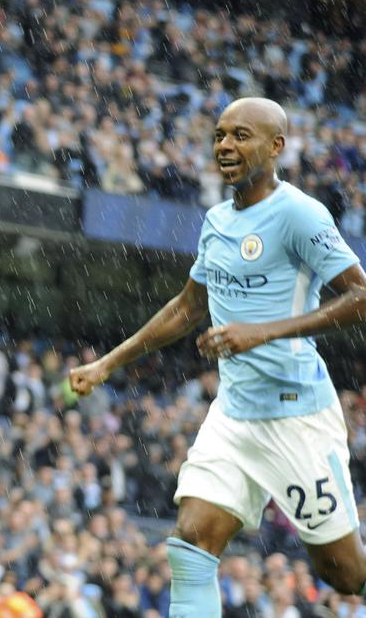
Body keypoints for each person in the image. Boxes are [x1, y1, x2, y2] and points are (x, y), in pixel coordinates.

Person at [69, 97, 366, 616]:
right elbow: (186, 309)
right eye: (221, 135)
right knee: (191, 540)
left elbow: (360, 295)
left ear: (276, 147)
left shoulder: (299, 213)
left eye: (241, 135)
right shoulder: (217, 220)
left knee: (344, 574)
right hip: (233, 414)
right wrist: (107, 363)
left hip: (295, 414)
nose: (226, 145)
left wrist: (264, 332)